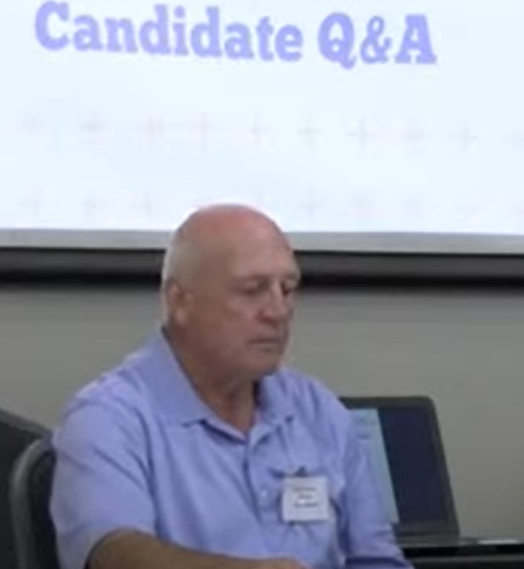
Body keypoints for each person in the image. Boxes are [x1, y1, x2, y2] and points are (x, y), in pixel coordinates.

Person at [50, 204, 409, 569]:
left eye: (287, 289)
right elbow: (114, 554)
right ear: (179, 301)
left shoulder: (317, 410)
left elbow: (377, 559)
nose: (278, 311)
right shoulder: (109, 417)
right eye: (253, 290)